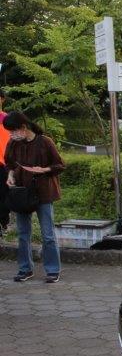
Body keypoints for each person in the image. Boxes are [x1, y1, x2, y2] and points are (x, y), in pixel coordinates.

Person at [3, 111, 64, 283]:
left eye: (13, 130)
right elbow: (9, 163)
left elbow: (59, 165)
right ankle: (25, 269)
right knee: (23, 234)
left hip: (44, 192)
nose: (12, 134)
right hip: (22, 193)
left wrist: (44, 169)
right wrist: (10, 175)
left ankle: (53, 270)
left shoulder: (45, 142)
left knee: (48, 234)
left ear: (23, 127)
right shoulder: (13, 143)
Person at [0, 89, 10, 236]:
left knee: (4, 195)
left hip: (4, 164)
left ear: (2, 99)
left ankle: (3, 223)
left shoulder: (8, 119)